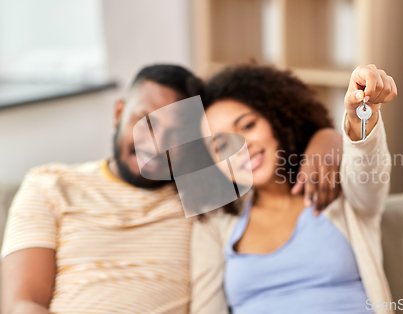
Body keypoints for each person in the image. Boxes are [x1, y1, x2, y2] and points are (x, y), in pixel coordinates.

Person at [1, 64, 343, 314]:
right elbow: (22, 304)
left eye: (177, 133)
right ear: (119, 112)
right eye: (146, 121)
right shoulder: (50, 185)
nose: (156, 144)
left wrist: (324, 139)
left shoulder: (207, 194)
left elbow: (276, 150)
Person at [190, 64, 397, 314]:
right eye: (221, 146)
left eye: (247, 126)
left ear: (278, 116)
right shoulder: (216, 222)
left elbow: (369, 170)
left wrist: (358, 115)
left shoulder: (335, 184)